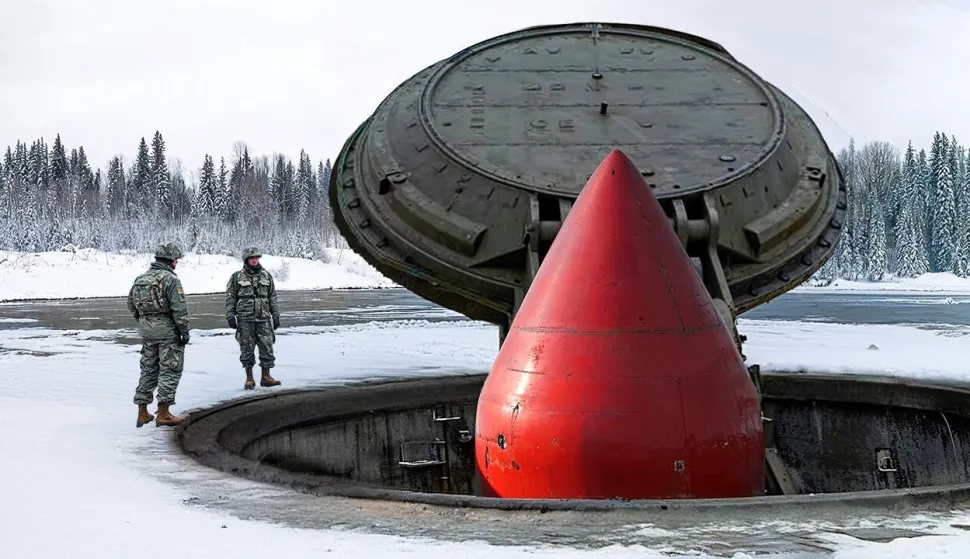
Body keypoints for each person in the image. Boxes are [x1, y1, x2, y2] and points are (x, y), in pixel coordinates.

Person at [127, 242, 191, 428]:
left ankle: (142, 412)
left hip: (147, 332)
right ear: (171, 260)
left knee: (148, 369)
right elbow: (179, 309)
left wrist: (143, 320)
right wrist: (184, 331)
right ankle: (163, 413)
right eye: (176, 260)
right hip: (167, 332)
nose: (177, 263)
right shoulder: (170, 279)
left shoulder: (141, 278)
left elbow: (131, 304)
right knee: (170, 369)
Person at [225, 247, 282, 390]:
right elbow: (230, 297)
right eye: (252, 258)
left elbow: (272, 297)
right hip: (245, 319)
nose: (255, 260)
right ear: (246, 259)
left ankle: (266, 376)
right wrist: (230, 315)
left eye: (256, 257)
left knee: (267, 347)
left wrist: (275, 315)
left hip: (263, 318)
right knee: (246, 348)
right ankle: (249, 378)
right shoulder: (236, 277)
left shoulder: (266, 276)